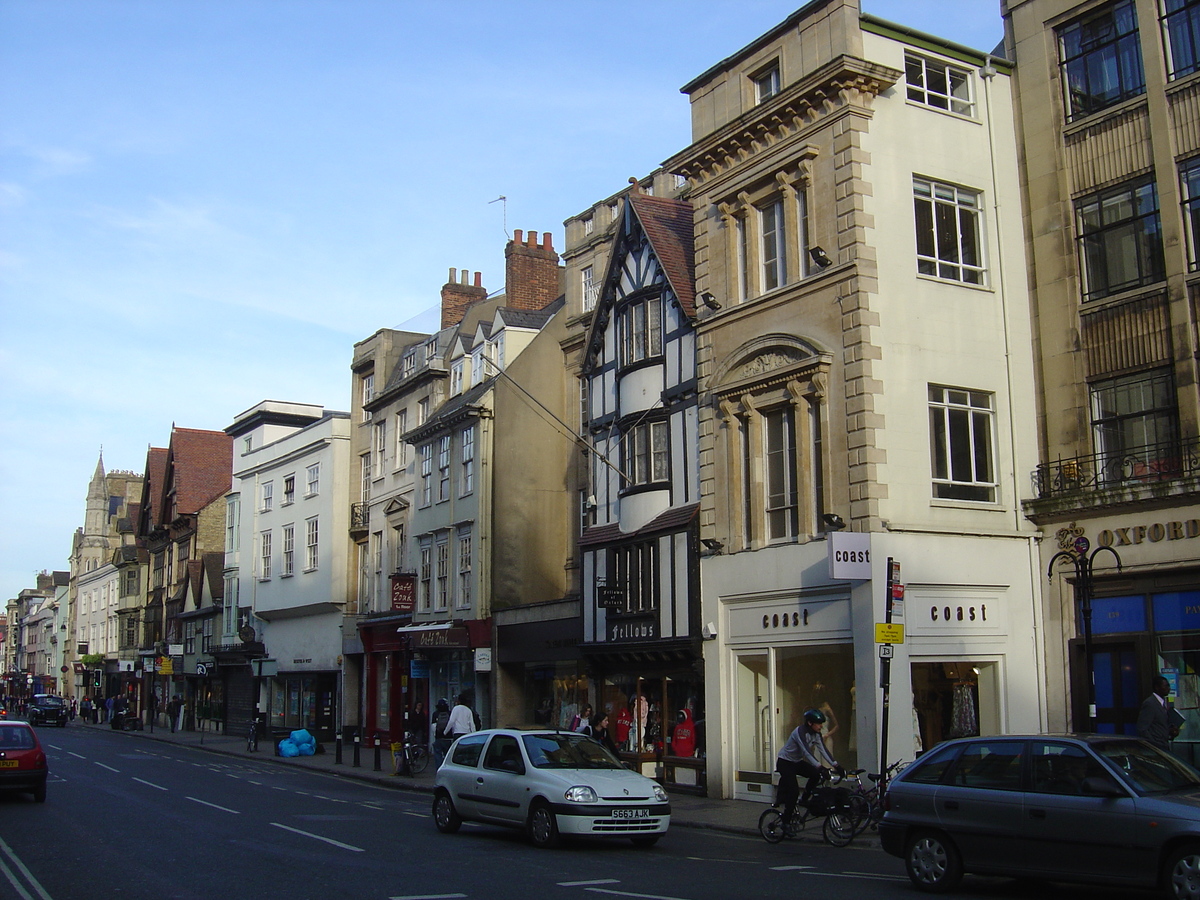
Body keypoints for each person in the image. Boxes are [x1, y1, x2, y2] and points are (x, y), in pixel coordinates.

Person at [775, 708, 843, 828]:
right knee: (794, 791)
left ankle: (804, 798)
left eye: (822, 724)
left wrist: (836, 765)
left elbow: (823, 750)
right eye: (818, 724)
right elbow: (806, 751)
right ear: (810, 723)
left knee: (815, 775)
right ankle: (785, 822)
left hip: (796, 762)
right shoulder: (799, 732)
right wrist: (820, 767)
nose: (821, 727)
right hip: (785, 762)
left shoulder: (816, 734)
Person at [1137, 674, 1178, 751]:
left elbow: (1159, 725)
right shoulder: (1150, 704)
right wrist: (1153, 744)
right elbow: (1142, 728)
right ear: (1157, 687)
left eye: (1168, 686)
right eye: (1165, 686)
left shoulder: (1162, 703)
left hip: (1164, 744)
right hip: (1156, 746)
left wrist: (1171, 731)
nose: (1168, 688)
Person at [432, 698, 452, 764]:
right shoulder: (449, 713)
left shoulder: (435, 714)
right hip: (448, 737)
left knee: (438, 755)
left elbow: (433, 726)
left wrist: (435, 735)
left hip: (439, 737)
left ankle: (439, 769)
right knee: (447, 755)